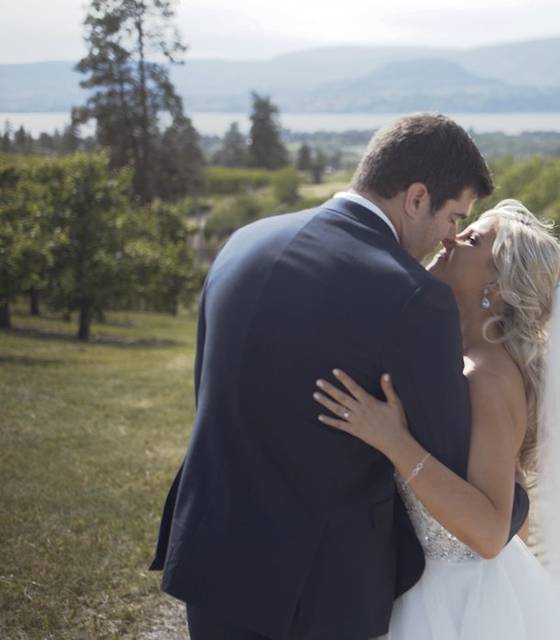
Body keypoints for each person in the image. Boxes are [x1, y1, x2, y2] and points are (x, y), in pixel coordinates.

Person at [149, 113, 530, 640]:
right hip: (317, 592)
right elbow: (450, 481)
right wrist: (517, 495)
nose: (449, 239)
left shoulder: (242, 245)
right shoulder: (413, 298)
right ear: (417, 198)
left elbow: (212, 396)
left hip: (211, 554)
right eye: (454, 217)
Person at [313, 200, 560, 639]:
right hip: (468, 595)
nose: (451, 239)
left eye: (472, 240)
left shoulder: (484, 373)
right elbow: (517, 521)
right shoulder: (479, 363)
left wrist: (392, 439)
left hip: (453, 605)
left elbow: (490, 534)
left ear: (496, 286)